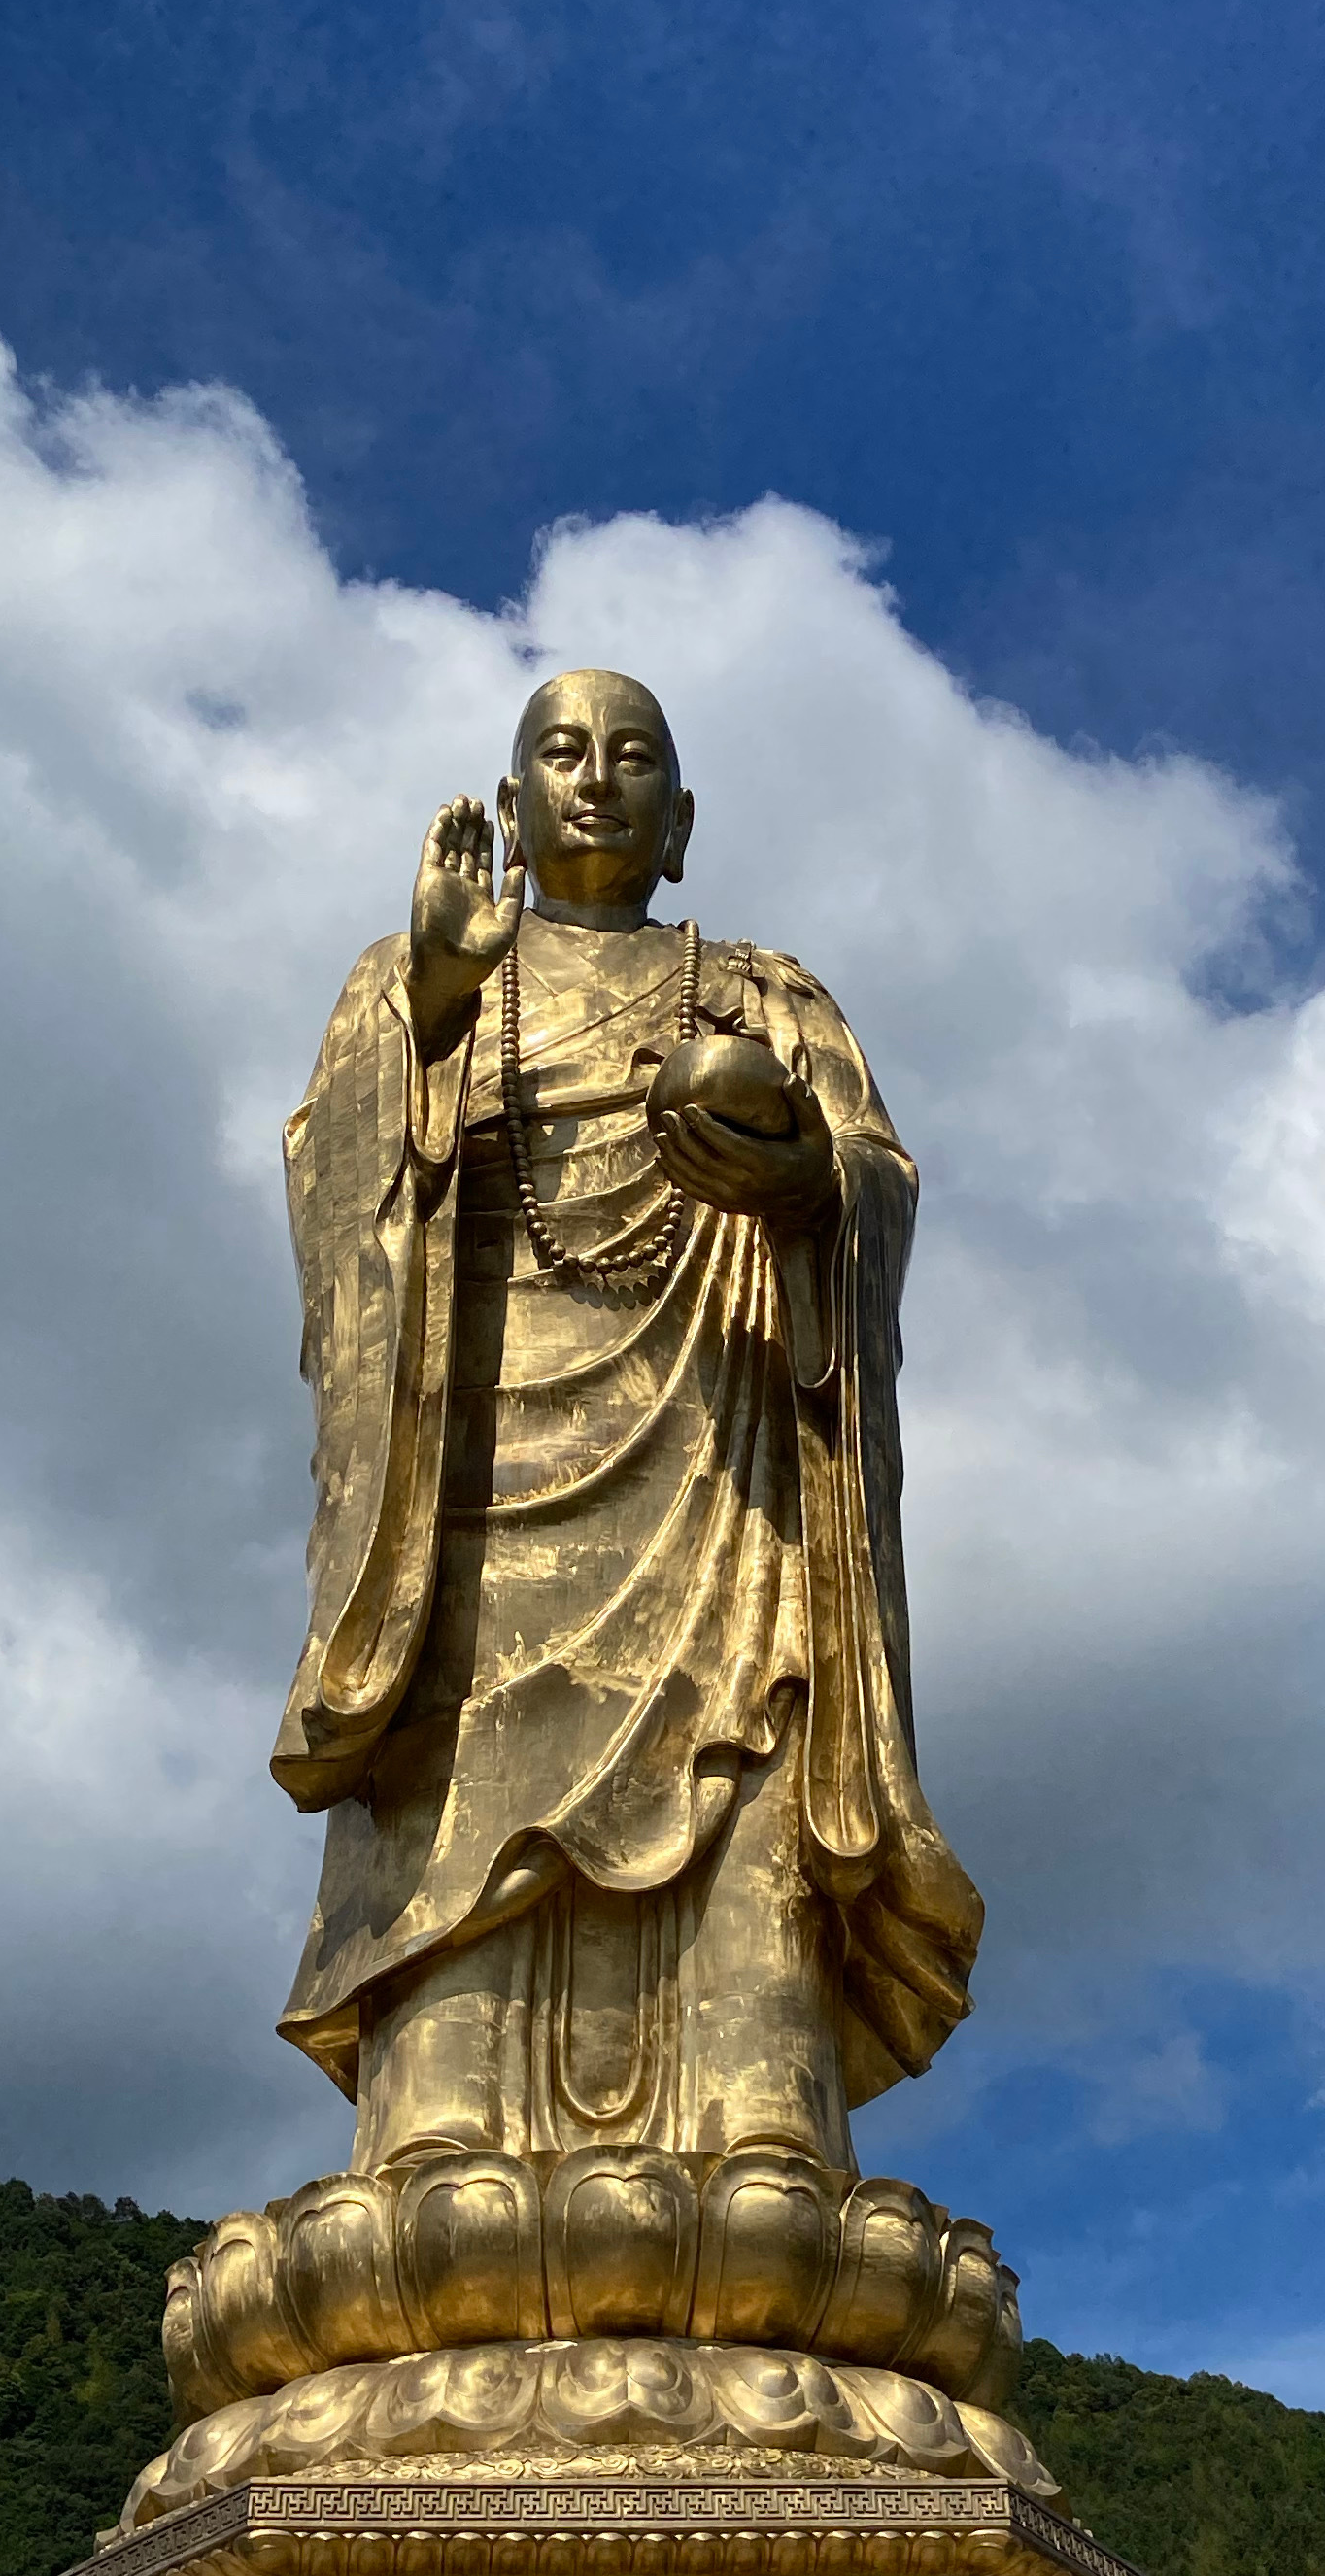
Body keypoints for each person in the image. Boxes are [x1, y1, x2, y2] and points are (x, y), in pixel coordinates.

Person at [271, 668, 980, 2174]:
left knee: (749, 1736)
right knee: (463, 1751)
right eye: (562, 755)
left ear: (683, 821)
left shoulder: (767, 994)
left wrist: (802, 1187)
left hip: (723, 1450)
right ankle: (442, 2122)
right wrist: (441, 1005)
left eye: (635, 757)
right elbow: (338, 1196)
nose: (597, 779)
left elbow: (873, 1180)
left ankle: (757, 2118)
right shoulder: (416, 981)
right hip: (478, 1456)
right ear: (511, 811)